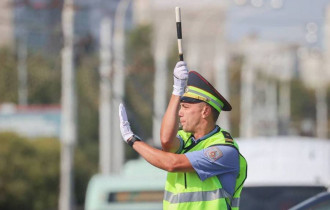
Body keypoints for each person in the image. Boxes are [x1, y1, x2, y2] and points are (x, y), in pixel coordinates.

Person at [119, 61, 247, 210]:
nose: (179, 112)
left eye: (185, 107)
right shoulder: (185, 139)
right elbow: (166, 141)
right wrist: (177, 89)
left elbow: (173, 163)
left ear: (205, 111)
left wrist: (132, 139)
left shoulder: (223, 149)